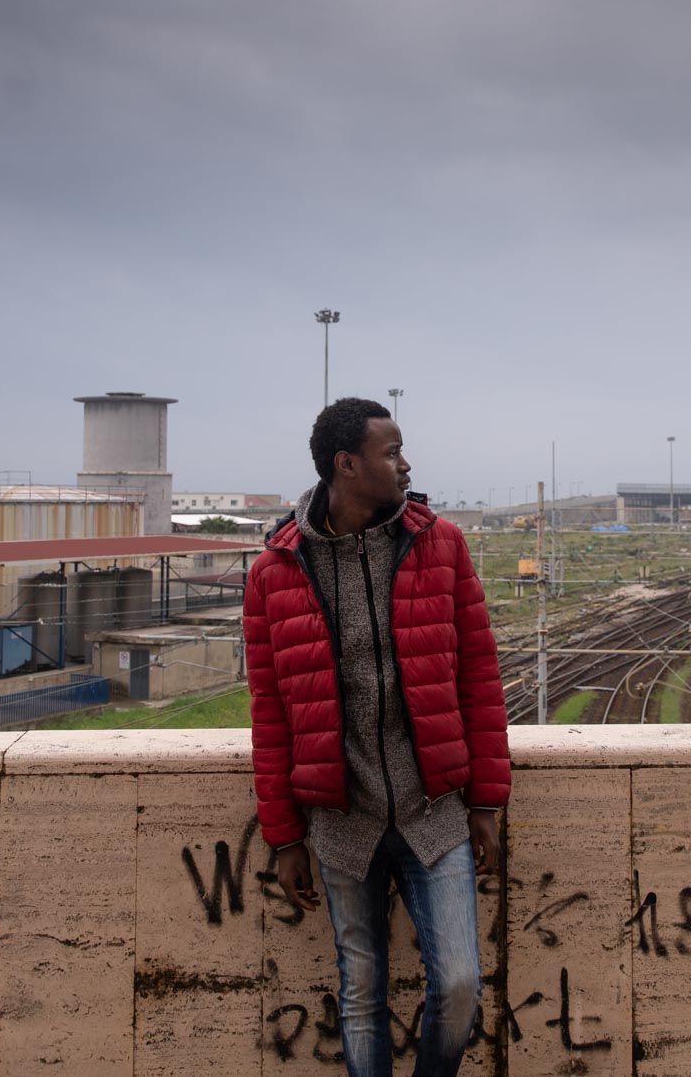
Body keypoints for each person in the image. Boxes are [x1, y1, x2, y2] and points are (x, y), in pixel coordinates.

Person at [244, 397, 510, 1077]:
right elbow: (270, 715)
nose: (405, 463)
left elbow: (478, 677)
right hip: (341, 820)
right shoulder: (275, 572)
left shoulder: (439, 545)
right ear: (347, 464)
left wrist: (484, 802)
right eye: (390, 453)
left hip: (434, 813)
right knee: (360, 991)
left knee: (456, 984)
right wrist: (284, 837)